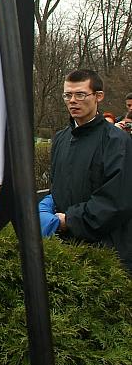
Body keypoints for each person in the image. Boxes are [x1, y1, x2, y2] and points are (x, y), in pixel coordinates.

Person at [51, 69, 132, 272]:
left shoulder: (116, 141)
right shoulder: (60, 139)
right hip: (67, 249)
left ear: (98, 96)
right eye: (67, 95)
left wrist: (69, 220)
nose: (73, 101)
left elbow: (116, 202)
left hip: (108, 253)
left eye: (80, 94)